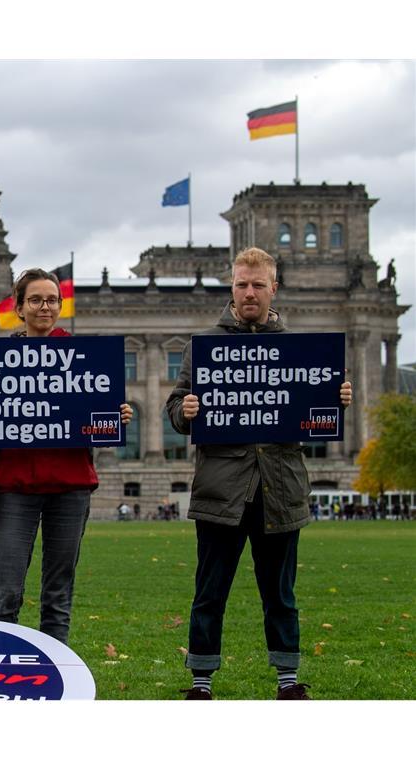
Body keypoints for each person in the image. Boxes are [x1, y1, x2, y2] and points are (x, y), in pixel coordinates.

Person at [166, 247, 353, 700]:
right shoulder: (204, 345)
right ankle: (202, 681)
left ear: (274, 288)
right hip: (221, 489)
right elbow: (174, 407)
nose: (249, 292)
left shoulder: (301, 350)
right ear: (232, 287)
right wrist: (185, 411)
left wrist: (337, 399)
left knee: (280, 594)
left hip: (280, 487)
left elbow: (315, 415)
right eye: (241, 284)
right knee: (210, 591)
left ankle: (288, 680)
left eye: (258, 284)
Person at [0, 267, 133, 645]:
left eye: (52, 300)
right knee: (6, 590)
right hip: (16, 489)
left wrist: (116, 417)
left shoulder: (84, 356)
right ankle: (1, 663)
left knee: (59, 593)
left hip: (70, 488)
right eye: (35, 300)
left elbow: (98, 417)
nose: (45, 307)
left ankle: (57, 670)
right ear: (19, 308)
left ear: (60, 305)